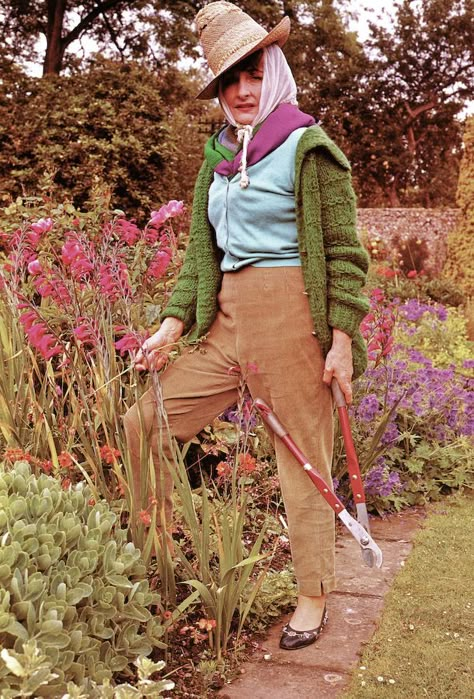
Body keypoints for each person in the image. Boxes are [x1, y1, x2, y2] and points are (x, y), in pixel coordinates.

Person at [124, 0, 369, 651]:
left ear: (273, 66)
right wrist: (172, 326)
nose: (242, 90)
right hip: (229, 323)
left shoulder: (308, 147)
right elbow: (200, 255)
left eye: (251, 71)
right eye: (228, 80)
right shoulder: (218, 158)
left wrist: (340, 342)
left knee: (303, 464)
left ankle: (313, 596)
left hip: (292, 324)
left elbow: (345, 254)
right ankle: (156, 549)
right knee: (142, 421)